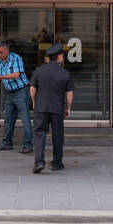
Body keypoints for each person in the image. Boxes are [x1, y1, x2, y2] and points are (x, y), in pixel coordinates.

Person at [29, 43, 74, 174]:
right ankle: (57, 163)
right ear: (59, 56)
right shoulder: (65, 73)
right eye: (62, 55)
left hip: (41, 107)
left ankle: (39, 162)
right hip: (57, 108)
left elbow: (32, 89)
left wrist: (34, 102)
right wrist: (68, 108)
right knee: (58, 136)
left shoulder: (39, 70)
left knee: (39, 134)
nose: (63, 57)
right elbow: (69, 93)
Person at [0, 41, 32, 154]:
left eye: (0, 52)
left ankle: (28, 145)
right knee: (8, 119)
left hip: (21, 92)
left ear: (7, 50)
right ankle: (7, 143)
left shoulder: (16, 58)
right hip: (9, 94)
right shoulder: (0, 62)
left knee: (25, 119)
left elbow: (16, 75)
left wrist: (0, 76)